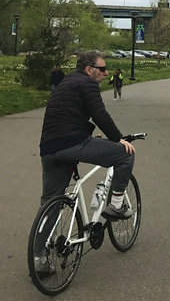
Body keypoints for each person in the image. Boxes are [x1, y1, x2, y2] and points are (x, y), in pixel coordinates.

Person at [35, 51, 136, 274]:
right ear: (89, 69)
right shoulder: (87, 83)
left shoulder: (66, 82)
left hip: (49, 149)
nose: (106, 72)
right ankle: (117, 206)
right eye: (102, 69)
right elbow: (99, 114)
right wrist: (118, 139)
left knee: (50, 203)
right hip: (72, 143)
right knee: (125, 155)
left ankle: (39, 259)